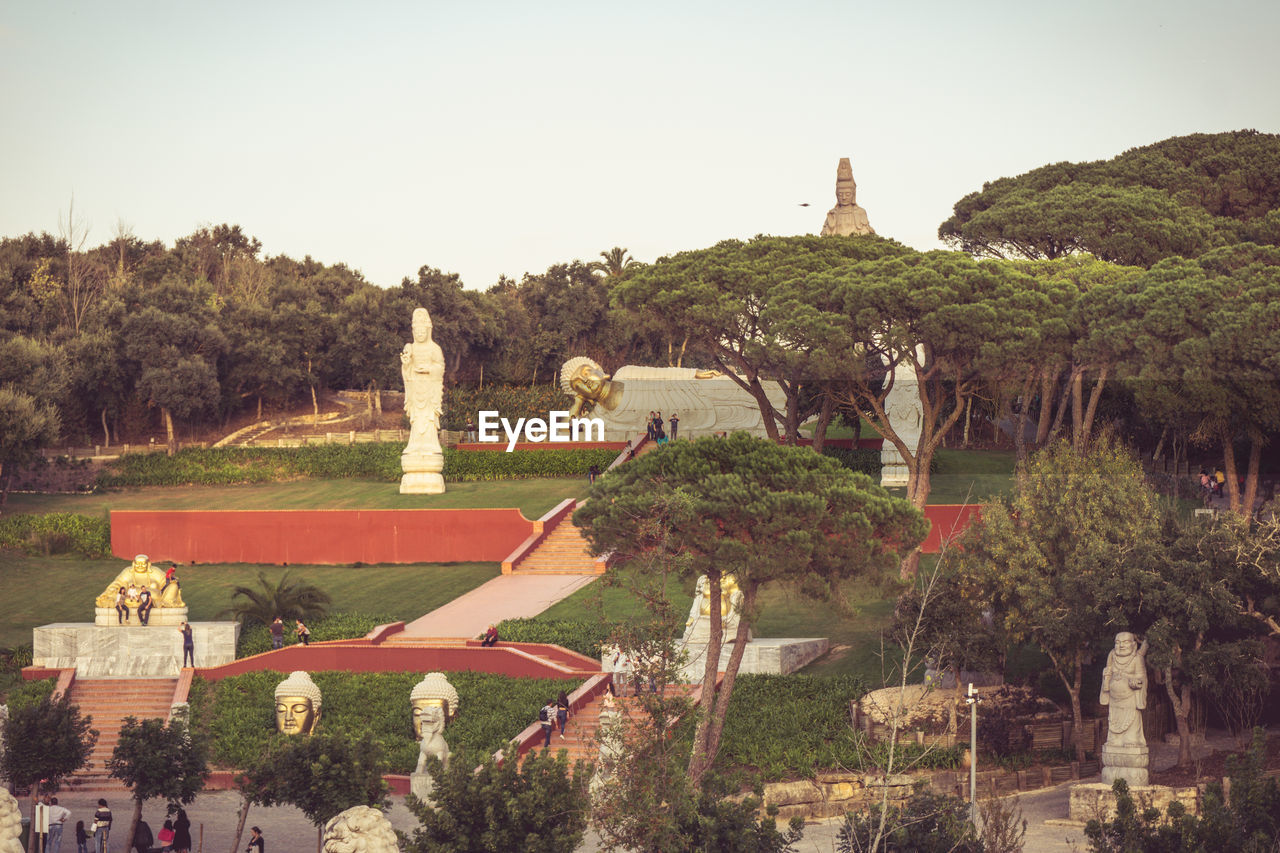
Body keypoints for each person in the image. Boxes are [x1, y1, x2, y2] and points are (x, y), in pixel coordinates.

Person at [1100, 631, 1149, 749]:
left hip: (1130, 699)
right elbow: (1108, 671)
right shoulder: (1112, 655)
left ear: (1133, 644)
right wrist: (1106, 678)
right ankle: (1114, 739)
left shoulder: (1137, 658)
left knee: (1132, 721)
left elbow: (1142, 677)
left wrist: (1136, 682)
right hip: (1114, 699)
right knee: (1113, 720)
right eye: (1118, 642)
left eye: (1125, 642)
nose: (1121, 646)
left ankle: (1132, 738)